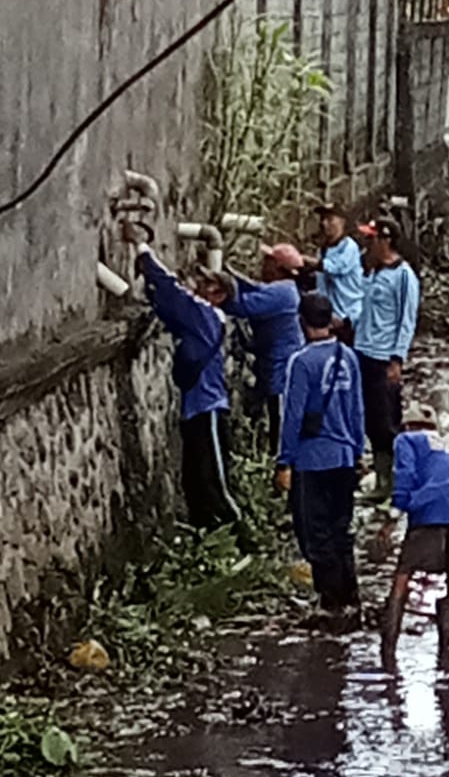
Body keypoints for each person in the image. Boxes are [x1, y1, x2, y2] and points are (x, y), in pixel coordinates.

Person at [137, 247, 241, 531]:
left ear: (219, 295)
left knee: (213, 484)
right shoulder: (199, 321)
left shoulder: (206, 316)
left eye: (209, 284)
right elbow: (168, 306)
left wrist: (144, 252)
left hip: (208, 409)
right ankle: (208, 540)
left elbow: (173, 295)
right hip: (194, 410)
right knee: (194, 484)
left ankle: (245, 540)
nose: (200, 286)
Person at [277, 293, 366, 621]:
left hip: (313, 459)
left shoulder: (301, 362)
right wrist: (358, 450)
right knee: (340, 528)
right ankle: (351, 596)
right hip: (344, 456)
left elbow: (293, 416)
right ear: (330, 320)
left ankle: (330, 602)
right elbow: (357, 408)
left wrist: (283, 461)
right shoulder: (348, 356)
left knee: (315, 532)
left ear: (302, 322)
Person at [378, 411, 449, 674]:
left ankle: (387, 650)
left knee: (403, 575)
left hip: (433, 503)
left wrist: (392, 516)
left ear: (408, 425)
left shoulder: (406, 439)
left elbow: (405, 476)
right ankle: (447, 649)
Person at [355, 219, 420, 498]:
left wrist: (397, 359)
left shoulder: (404, 276)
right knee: (369, 418)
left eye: (372, 239)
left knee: (385, 421)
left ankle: (391, 481)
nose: (367, 244)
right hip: (363, 351)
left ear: (386, 241)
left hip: (383, 357)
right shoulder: (371, 271)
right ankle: (380, 475)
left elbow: (407, 319)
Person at [228, 244, 304, 452]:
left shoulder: (282, 293)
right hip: (273, 366)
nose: (263, 266)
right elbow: (252, 287)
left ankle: (281, 467)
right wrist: (227, 272)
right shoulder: (282, 289)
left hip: (281, 371)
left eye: (267, 261)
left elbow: (242, 305)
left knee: (279, 420)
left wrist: (217, 294)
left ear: (277, 267)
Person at [311, 203, 364, 342]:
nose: (324, 223)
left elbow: (334, 268)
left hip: (348, 317)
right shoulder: (322, 250)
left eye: (329, 219)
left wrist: (302, 260)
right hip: (329, 318)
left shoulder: (349, 247)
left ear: (342, 221)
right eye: (322, 219)